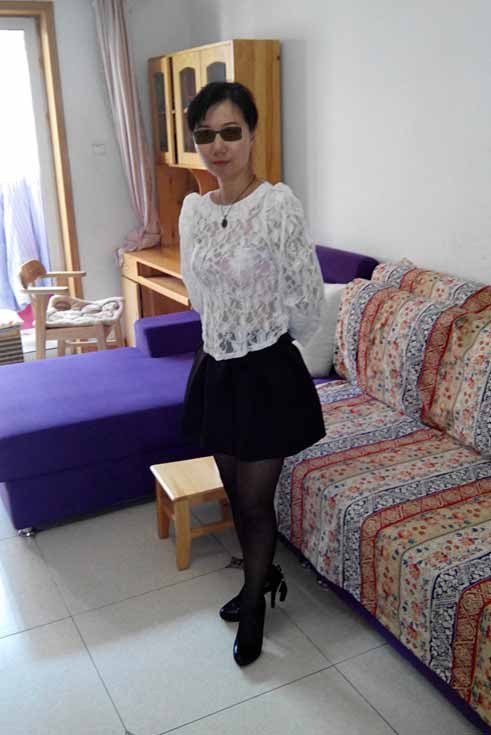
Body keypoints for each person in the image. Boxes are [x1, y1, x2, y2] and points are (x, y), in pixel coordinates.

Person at [179, 81, 326, 666]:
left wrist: (265, 338)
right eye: (205, 134)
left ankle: (255, 601)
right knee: (234, 495)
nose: (218, 146)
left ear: (252, 134)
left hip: (265, 372)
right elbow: (196, 292)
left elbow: (307, 299)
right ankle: (259, 577)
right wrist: (227, 329)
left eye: (230, 131)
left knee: (255, 498)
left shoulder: (277, 206)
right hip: (217, 367)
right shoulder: (194, 211)